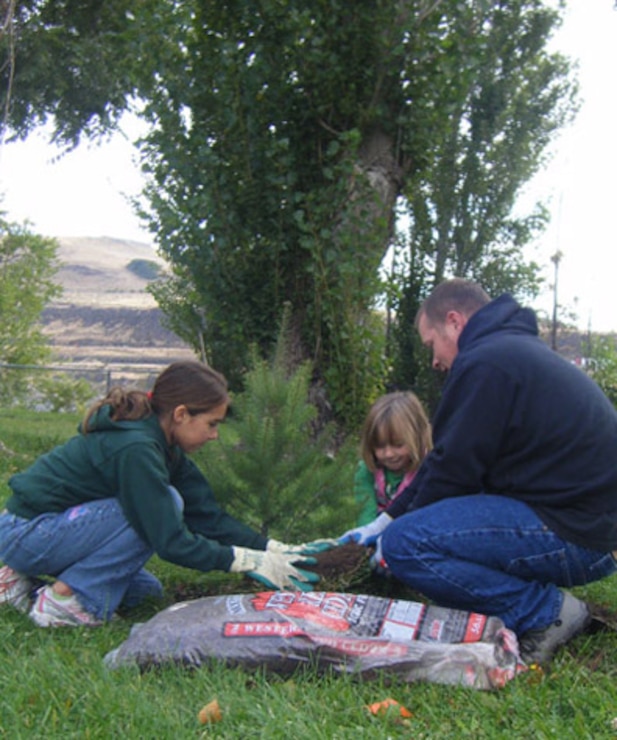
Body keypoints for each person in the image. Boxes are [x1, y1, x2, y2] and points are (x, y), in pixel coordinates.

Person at [340, 278, 617, 665]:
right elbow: (450, 464)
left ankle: (544, 611)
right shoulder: (508, 352)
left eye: (431, 343)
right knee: (411, 530)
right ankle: (526, 596)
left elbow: (453, 473)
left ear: (454, 321)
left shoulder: (486, 361)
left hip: (577, 535)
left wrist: (393, 533)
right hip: (591, 530)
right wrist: (385, 518)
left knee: (408, 544)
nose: (434, 360)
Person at [0, 360, 331, 627]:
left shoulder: (164, 445)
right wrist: (244, 562)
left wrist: (272, 549)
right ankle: (63, 603)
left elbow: (206, 516)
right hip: (27, 530)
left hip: (51, 531)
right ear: (182, 414)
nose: (215, 435)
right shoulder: (137, 449)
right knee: (162, 506)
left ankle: (16, 579)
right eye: (212, 424)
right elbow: (169, 540)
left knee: (145, 592)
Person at [353, 391, 432, 527]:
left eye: (398, 445)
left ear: (417, 438)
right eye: (379, 446)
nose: (389, 454)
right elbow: (365, 513)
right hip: (376, 528)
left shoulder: (428, 470)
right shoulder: (367, 471)